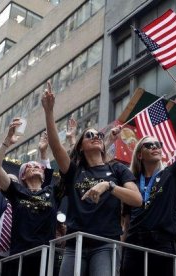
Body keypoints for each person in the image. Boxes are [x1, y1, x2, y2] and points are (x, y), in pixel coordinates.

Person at [42, 81, 142, 276]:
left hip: (105, 244)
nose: (95, 136)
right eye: (89, 135)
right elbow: (56, 147)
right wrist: (49, 112)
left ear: (104, 145)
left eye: (98, 135)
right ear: (81, 146)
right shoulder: (74, 171)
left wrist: (109, 186)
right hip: (75, 244)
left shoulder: (117, 170)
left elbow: (137, 199)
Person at [120, 81, 176, 276]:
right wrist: (122, 251)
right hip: (134, 245)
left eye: (158, 144)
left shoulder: (172, 173)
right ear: (139, 154)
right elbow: (125, 224)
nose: (156, 147)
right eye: (149, 146)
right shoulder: (129, 181)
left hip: (163, 243)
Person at [0, 118, 61, 276]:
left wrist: (44, 151)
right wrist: (7, 142)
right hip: (20, 257)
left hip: (46, 255)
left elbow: (70, 171)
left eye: (38, 166)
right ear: (22, 177)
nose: (35, 166)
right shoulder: (16, 191)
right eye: (29, 166)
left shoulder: (52, 192)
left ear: (44, 175)